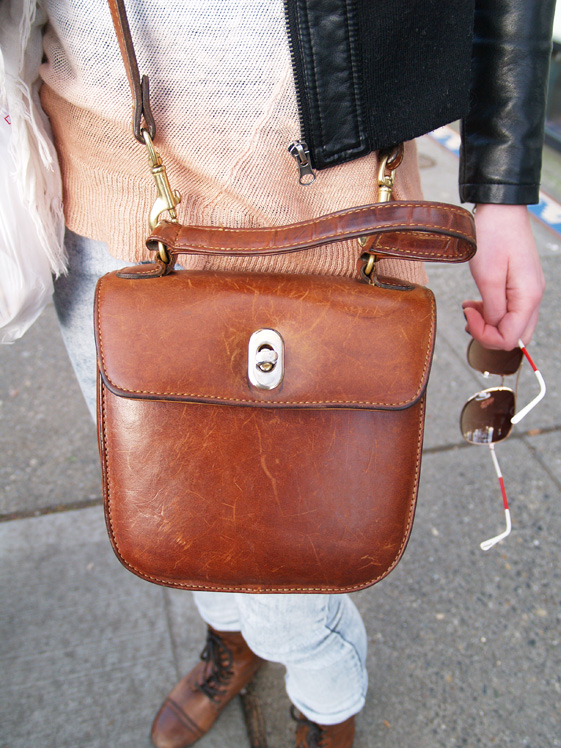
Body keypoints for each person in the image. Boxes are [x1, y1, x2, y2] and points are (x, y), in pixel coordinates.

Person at [0, 1, 554, 746]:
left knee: (299, 571)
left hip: (341, 191)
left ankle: (327, 700)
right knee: (171, 509)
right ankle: (231, 641)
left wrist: (499, 188)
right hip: (110, 183)